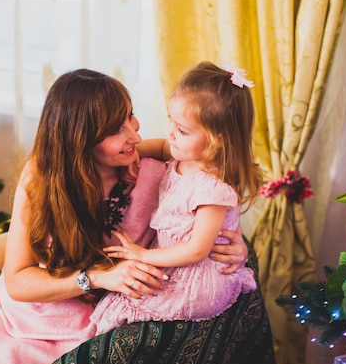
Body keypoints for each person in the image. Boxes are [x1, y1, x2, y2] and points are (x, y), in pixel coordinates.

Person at [0, 68, 248, 364]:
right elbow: (19, 281)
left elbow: (208, 165)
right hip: (17, 305)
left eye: (131, 117)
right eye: (116, 129)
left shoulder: (154, 172)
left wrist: (236, 242)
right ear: (79, 139)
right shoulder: (42, 178)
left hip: (73, 326)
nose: (134, 134)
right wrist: (97, 275)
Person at [89, 61, 262, 335]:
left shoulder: (212, 187)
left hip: (197, 278)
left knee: (123, 301)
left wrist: (144, 255)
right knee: (122, 296)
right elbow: (158, 147)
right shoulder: (183, 157)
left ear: (218, 141)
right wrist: (134, 156)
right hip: (178, 263)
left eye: (181, 130)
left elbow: (197, 250)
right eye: (171, 120)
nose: (170, 133)